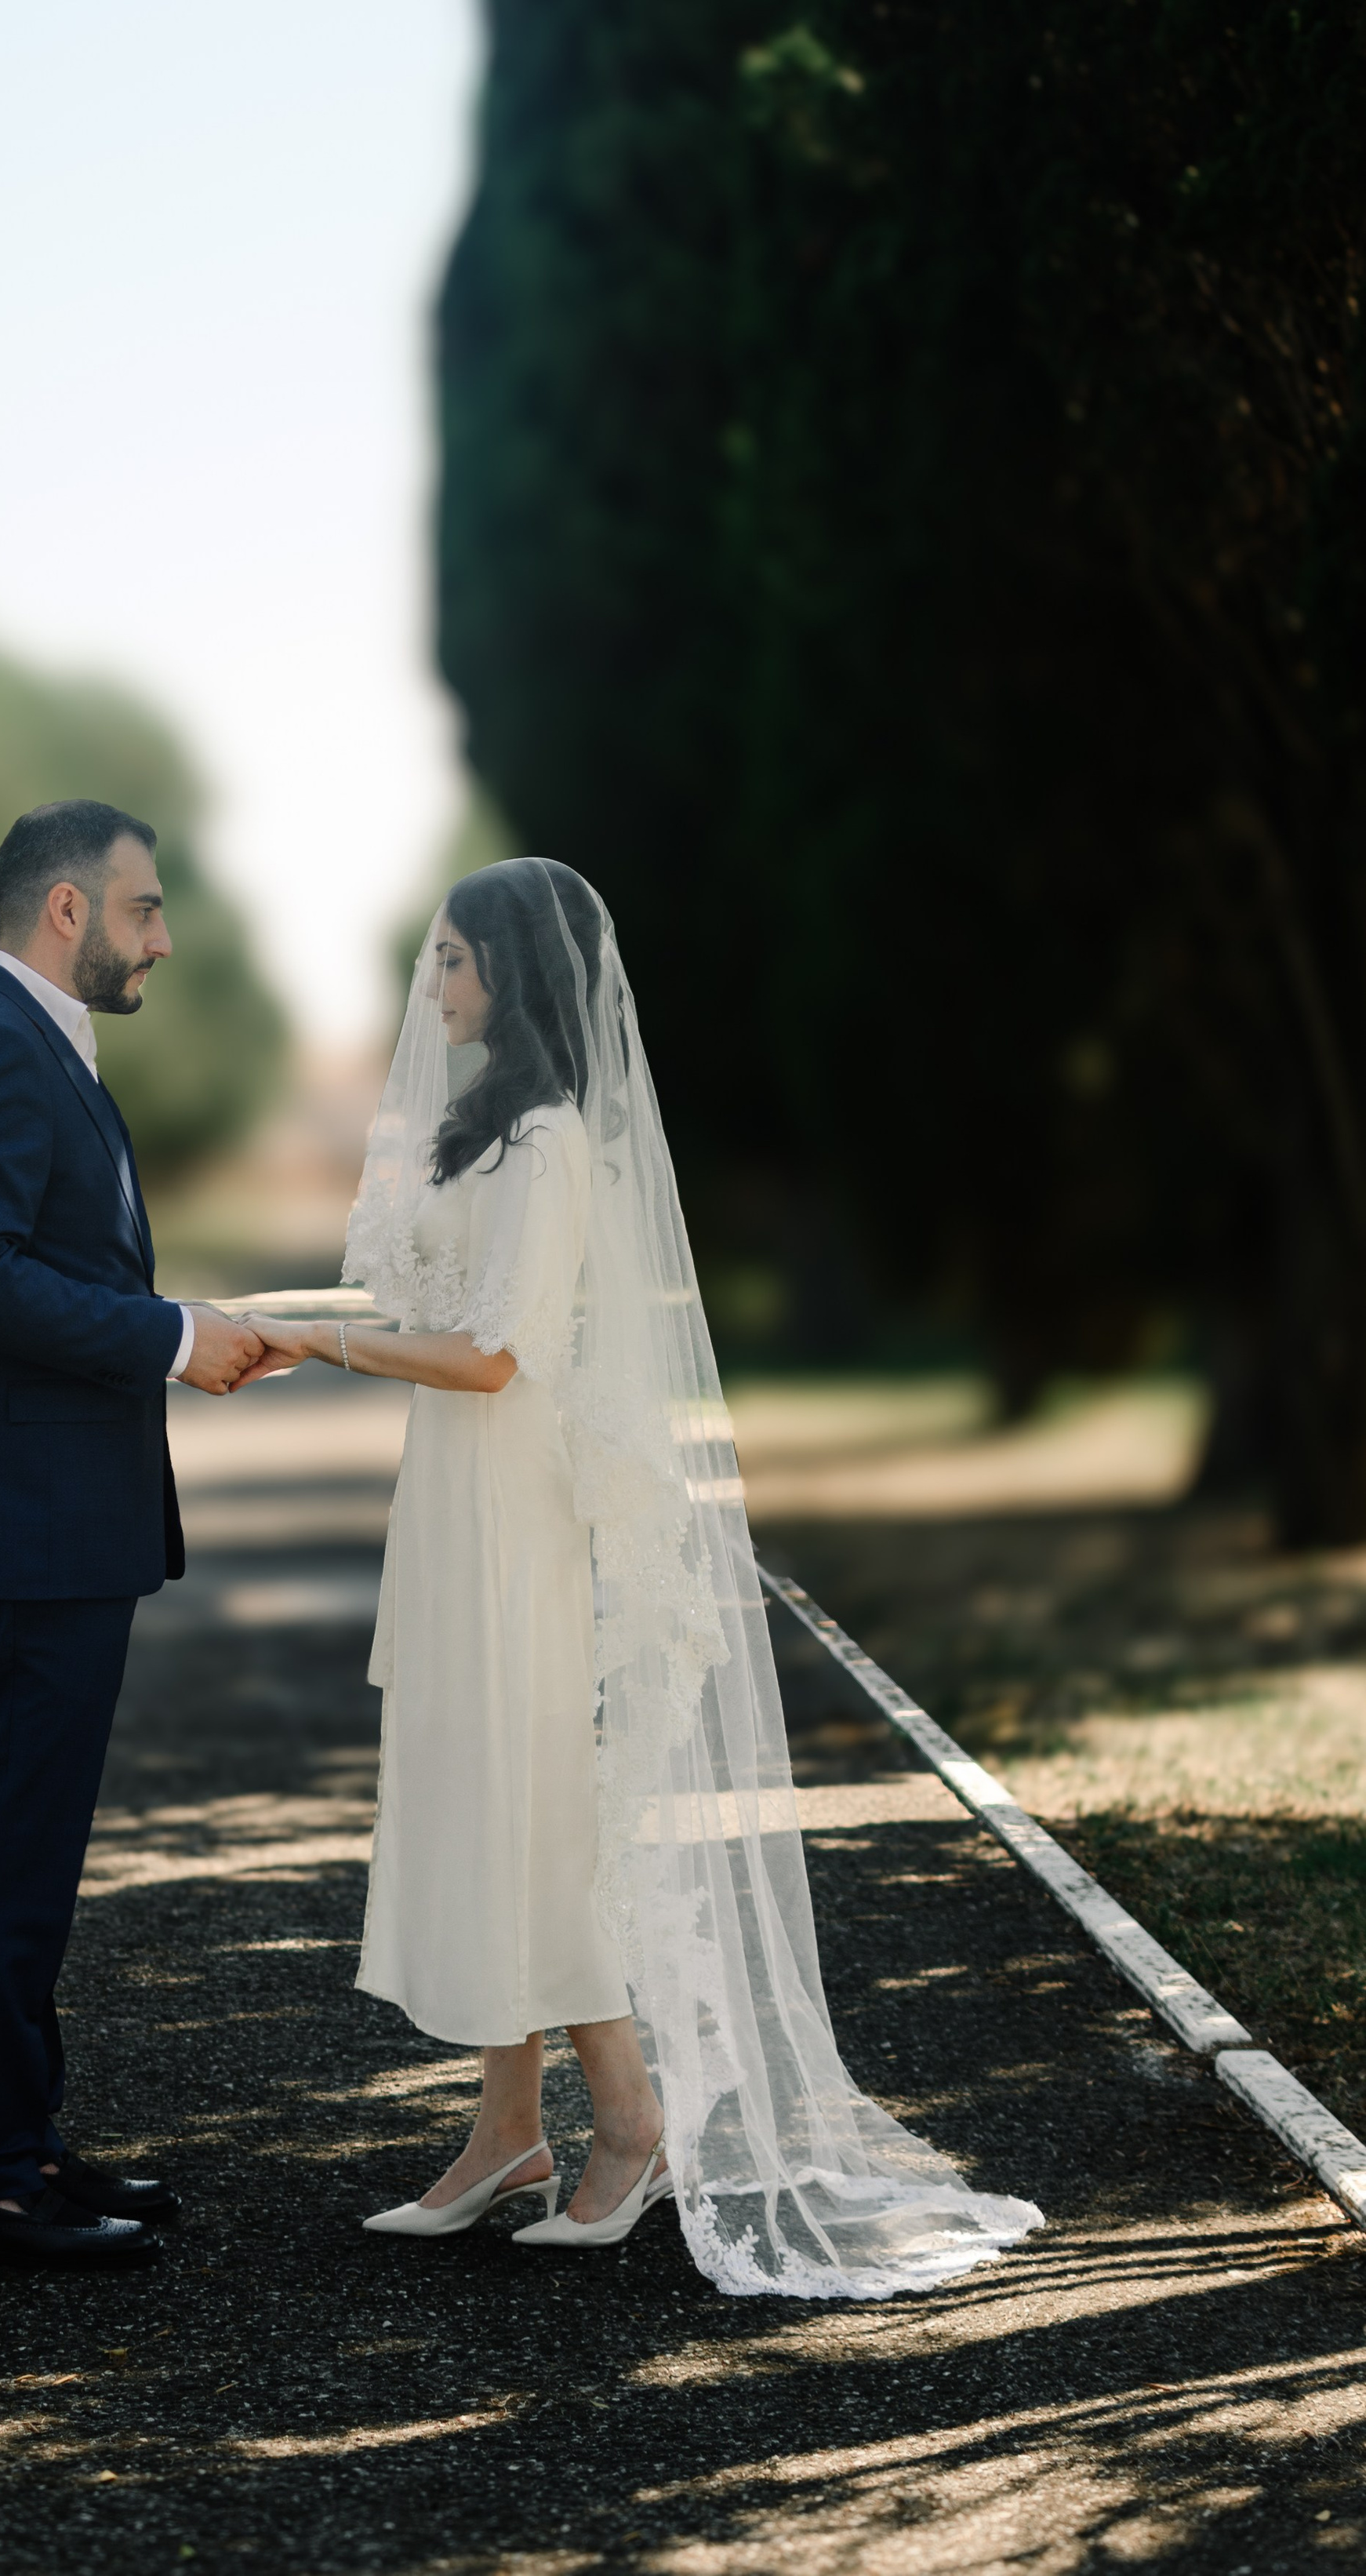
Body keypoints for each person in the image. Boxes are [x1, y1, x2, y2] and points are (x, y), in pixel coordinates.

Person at [245, 858, 1041, 2296]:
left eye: (455, 964)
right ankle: (506, 2134)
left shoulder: (550, 1144)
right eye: (433, 962)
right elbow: (439, 1315)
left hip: (514, 1510)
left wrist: (316, 1339)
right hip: (453, 1504)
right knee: (485, 1803)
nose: (435, 988)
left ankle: (627, 2122)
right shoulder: (481, 1135)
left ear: (517, 979)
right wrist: (298, 1322)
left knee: (534, 1807)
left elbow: (496, 1358)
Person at [0, 799, 266, 2269]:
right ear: (65, 912)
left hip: (51, 1512)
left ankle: (22, 2142)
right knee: (7, 1855)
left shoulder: (32, 1043)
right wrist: (174, 1338)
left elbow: (40, 1264)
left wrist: (191, 1328)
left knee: (30, 1853)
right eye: (144, 910)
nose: (161, 936)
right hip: (27, 1518)